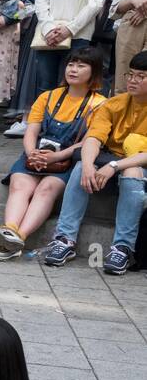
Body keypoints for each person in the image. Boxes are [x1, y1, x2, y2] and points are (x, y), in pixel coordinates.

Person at [0, 47, 105, 260]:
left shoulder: (100, 104)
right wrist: (32, 154)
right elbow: (32, 130)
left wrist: (56, 156)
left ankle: (18, 237)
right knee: (19, 184)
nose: (73, 69)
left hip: (66, 159)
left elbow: (89, 142)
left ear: (93, 73)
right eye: (71, 64)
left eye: (81, 65)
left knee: (47, 188)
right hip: (36, 155)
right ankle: (9, 229)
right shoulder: (48, 96)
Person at [41, 51, 147, 275]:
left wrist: (114, 166)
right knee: (81, 166)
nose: (133, 81)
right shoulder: (114, 104)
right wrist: (89, 165)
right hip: (109, 166)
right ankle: (64, 239)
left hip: (136, 169)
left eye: (141, 76)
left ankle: (123, 247)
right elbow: (93, 138)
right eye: (131, 75)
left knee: (132, 171)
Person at [111, 0, 147, 96]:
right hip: (132, 24)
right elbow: (115, 8)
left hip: (138, 17)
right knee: (126, 80)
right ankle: (122, 117)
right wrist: (132, 1)